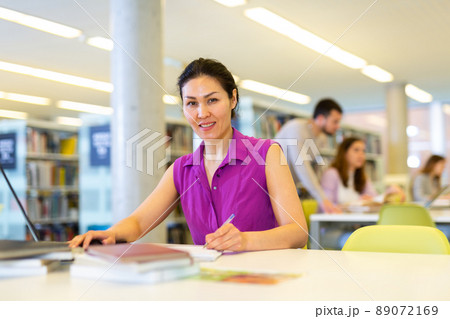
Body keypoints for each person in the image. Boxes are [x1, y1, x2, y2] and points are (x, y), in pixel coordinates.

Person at [70, 58, 308, 251]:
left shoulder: (267, 154)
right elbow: (139, 222)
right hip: (207, 283)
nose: (202, 113)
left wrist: (245, 241)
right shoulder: (181, 169)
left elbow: (298, 232)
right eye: (192, 103)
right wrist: (110, 234)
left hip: (264, 284)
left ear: (233, 99)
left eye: (212, 100)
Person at [275, 98, 343, 213]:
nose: (338, 126)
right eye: (335, 121)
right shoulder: (297, 128)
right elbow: (302, 166)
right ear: (321, 119)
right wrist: (322, 199)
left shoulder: (321, 137)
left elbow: (317, 167)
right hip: (272, 186)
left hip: (288, 188)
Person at [320, 137, 404, 207]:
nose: (361, 155)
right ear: (344, 153)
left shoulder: (361, 176)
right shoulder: (331, 174)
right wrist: (357, 203)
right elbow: (327, 205)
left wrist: (389, 192)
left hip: (353, 222)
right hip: (333, 223)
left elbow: (374, 198)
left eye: (363, 151)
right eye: (356, 150)